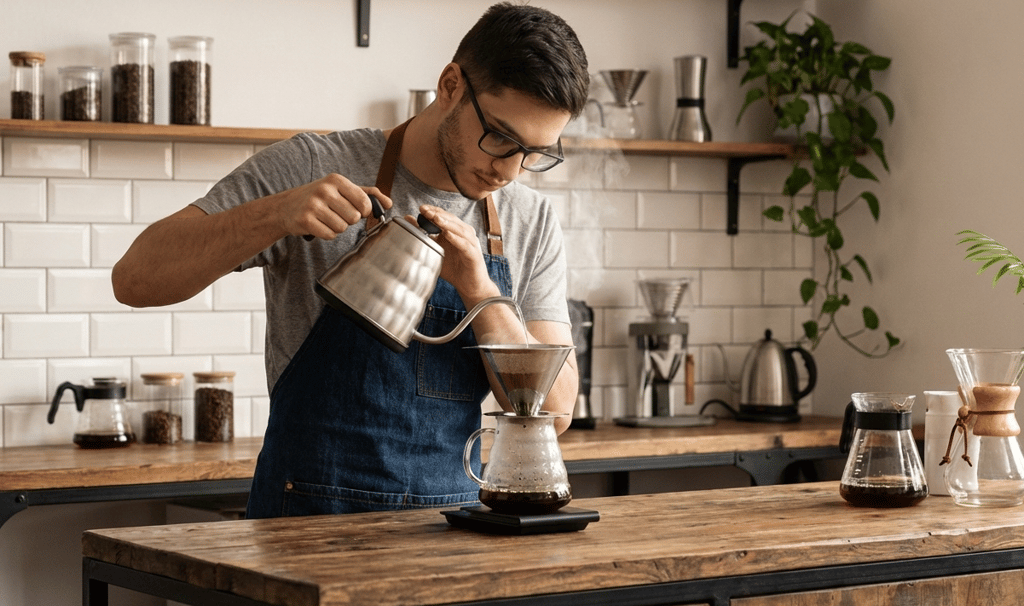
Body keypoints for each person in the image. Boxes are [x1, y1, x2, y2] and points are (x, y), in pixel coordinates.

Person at [112, 2, 588, 518]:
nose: (510, 170)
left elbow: (556, 412)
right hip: (305, 523)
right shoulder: (313, 165)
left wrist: (482, 292)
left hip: (451, 530)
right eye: (499, 136)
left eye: (534, 153)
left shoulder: (529, 219)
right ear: (450, 84)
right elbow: (135, 279)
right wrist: (275, 213)